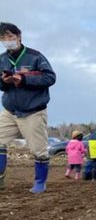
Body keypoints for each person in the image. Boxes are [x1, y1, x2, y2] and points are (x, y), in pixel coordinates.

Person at [0, 22, 57, 193]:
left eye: (10, 36)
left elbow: (50, 78)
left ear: (19, 36)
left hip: (33, 111)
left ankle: (40, 182)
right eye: (3, 38)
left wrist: (24, 80)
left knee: (38, 150)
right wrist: (4, 82)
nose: (7, 40)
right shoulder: (2, 59)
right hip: (10, 111)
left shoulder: (35, 57)